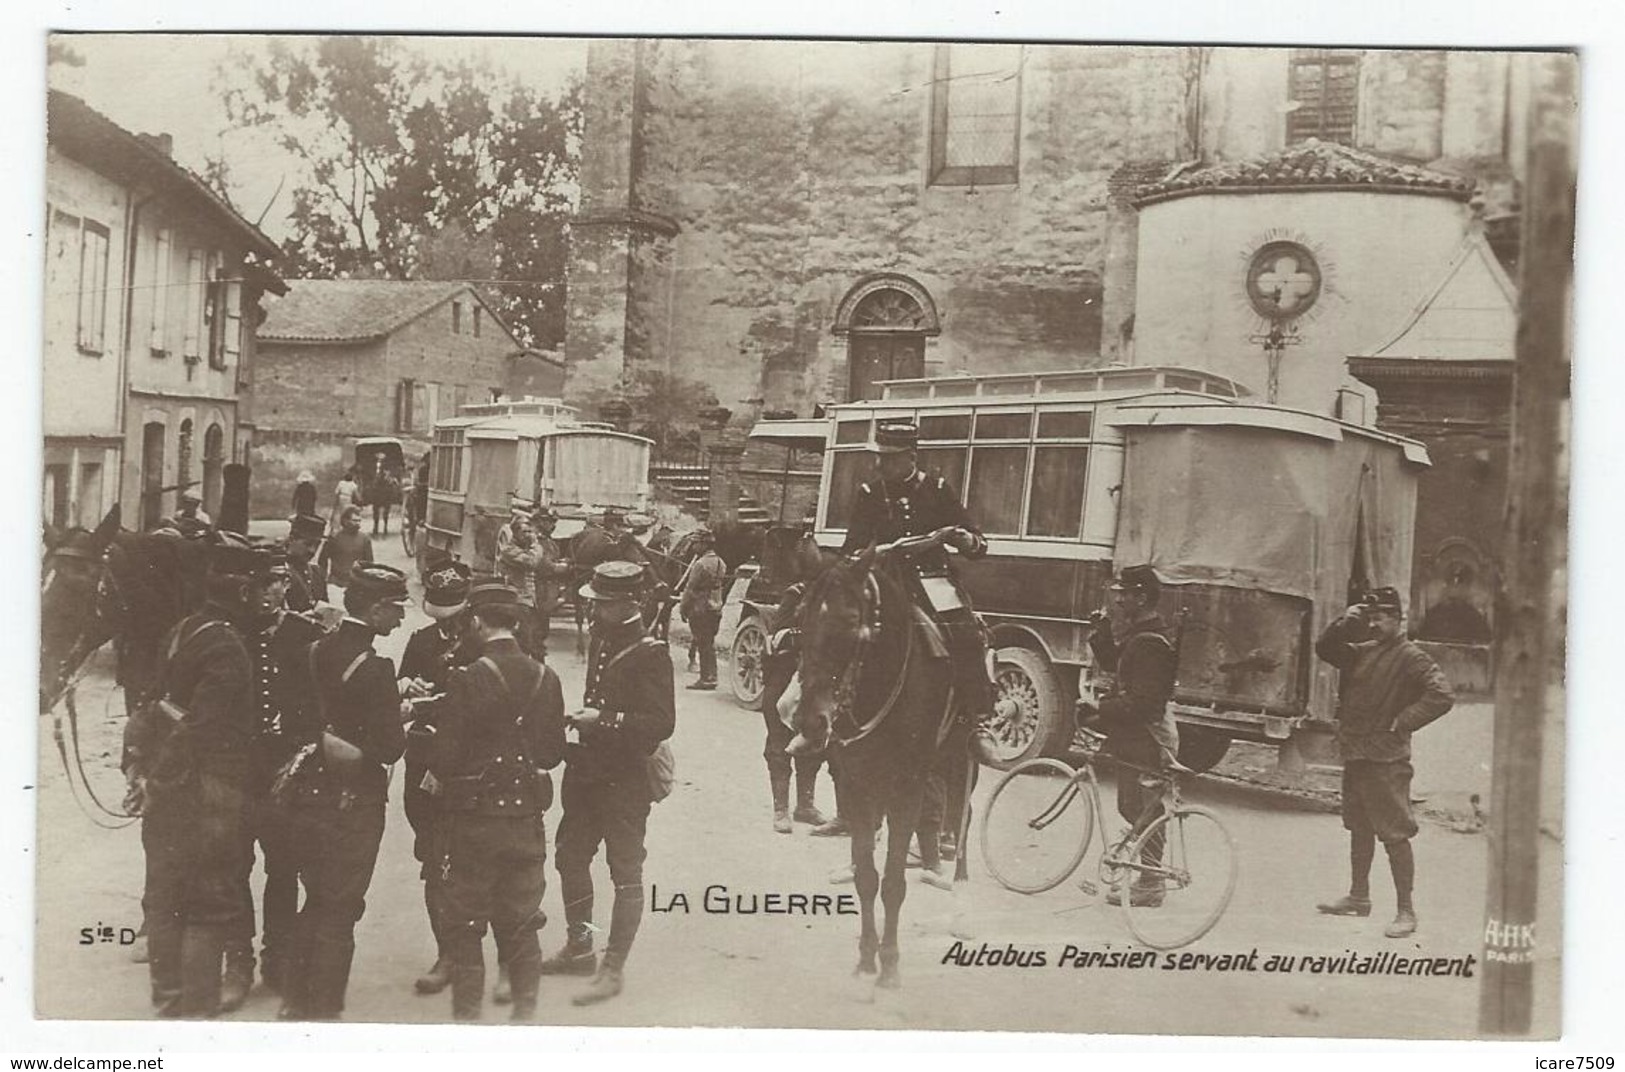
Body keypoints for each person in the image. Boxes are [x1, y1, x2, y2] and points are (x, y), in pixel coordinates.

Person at [836, 419, 998, 866]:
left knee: (966, 633)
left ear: (911, 457)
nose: (882, 464)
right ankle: (823, 713)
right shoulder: (869, 495)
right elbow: (853, 546)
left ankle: (978, 717)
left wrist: (962, 538)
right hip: (885, 582)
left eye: (890, 457)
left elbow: (976, 542)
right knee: (838, 632)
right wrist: (872, 555)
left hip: (931, 580)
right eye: (879, 457)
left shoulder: (938, 488)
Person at [122, 536, 258, 1018]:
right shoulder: (228, 646)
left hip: (167, 792)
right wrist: (158, 779)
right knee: (208, 904)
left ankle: (168, 1008)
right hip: (208, 793)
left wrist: (139, 771)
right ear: (243, 591)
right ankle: (193, 1021)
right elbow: (200, 729)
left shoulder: (183, 631)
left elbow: (149, 704)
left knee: (164, 898)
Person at [430, 581, 567, 1021]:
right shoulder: (548, 678)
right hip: (525, 819)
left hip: (474, 822)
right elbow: (550, 754)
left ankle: (468, 1024)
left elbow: (446, 758)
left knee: (466, 925)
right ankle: (523, 1022)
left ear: (476, 622)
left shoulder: (466, 679)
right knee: (524, 924)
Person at [277, 564, 409, 1021]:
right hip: (354, 803)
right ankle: (325, 1011)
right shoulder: (376, 668)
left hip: (308, 793)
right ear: (374, 610)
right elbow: (391, 746)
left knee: (314, 896)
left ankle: (293, 1001)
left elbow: (299, 722)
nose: (399, 618)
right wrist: (403, 709)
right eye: (395, 609)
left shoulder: (312, 650)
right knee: (341, 905)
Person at [542, 561, 675, 1006]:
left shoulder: (652, 653)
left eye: (602, 604)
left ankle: (613, 967)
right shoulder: (603, 638)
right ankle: (581, 947)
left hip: (625, 780)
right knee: (570, 858)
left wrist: (604, 721)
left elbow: (660, 723)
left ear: (629, 605)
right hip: (588, 772)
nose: (593, 611)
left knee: (625, 871)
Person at [1313, 586, 1454, 939]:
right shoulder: (1364, 651)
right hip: (1357, 753)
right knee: (1359, 827)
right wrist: (1347, 622)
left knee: (1394, 833)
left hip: (1386, 759)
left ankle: (1406, 910)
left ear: (1398, 619)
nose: (1375, 624)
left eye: (1381, 618)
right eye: (1371, 617)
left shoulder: (1412, 657)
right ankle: (1358, 897)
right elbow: (1325, 650)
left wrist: (1403, 721)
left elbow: (1442, 696)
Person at [227, 543, 325, 1005]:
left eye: (282, 582)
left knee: (283, 867)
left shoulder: (306, 634)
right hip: (237, 770)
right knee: (232, 866)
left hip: (287, 770)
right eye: (266, 583)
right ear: (246, 589)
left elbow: (321, 706)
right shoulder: (229, 635)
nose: (276, 592)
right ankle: (237, 962)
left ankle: (278, 957)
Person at [1079, 564, 1180, 909]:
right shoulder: (1142, 632)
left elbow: (1145, 703)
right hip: (1135, 735)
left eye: (1125, 594)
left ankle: (1152, 881)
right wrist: (1102, 630)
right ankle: (1146, 872)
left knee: (1145, 805)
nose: (1118, 599)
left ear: (1142, 597)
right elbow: (1117, 664)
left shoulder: (1151, 641)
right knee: (1130, 804)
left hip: (1149, 737)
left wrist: (1100, 710)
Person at [397, 560, 475, 997]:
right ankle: (447, 951)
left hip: (468, 762)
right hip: (425, 757)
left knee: (470, 856)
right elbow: (403, 680)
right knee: (434, 857)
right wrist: (409, 686)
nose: (447, 626)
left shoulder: (484, 642)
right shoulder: (421, 640)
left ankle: (469, 947)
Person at [759, 580, 834, 834]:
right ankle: (781, 809)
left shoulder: (840, 595)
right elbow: (779, 637)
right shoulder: (796, 594)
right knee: (779, 744)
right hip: (783, 679)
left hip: (815, 683)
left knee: (814, 743)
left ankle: (805, 805)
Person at [676, 526, 726, 690]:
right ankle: (712, 676)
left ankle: (706, 678)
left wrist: (683, 609)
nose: (694, 547)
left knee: (703, 643)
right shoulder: (720, 562)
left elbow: (690, 589)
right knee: (709, 644)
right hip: (715, 606)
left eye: (696, 544)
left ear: (704, 545)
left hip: (700, 608)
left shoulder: (700, 564)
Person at [497, 516, 546, 661]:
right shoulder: (509, 550)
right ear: (515, 533)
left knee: (536, 640)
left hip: (530, 600)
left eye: (530, 531)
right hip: (517, 600)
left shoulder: (525, 548)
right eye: (524, 532)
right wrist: (536, 545)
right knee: (525, 640)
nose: (528, 535)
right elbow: (531, 562)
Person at [531, 508, 573, 658]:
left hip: (548, 588)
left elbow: (554, 557)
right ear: (540, 522)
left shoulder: (548, 540)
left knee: (543, 624)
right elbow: (543, 565)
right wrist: (561, 567)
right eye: (550, 522)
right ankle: (536, 656)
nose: (553, 525)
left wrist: (563, 562)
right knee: (537, 626)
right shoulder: (535, 540)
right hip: (539, 587)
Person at [317, 506, 373, 592]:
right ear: (345, 521)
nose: (358, 523)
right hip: (336, 584)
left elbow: (369, 563)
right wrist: (323, 579)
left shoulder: (365, 539)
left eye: (359, 521)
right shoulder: (334, 538)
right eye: (354, 521)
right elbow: (322, 560)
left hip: (356, 584)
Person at [284, 513, 330, 614]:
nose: (312, 550)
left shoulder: (317, 573)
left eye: (317, 545)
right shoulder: (280, 571)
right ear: (292, 539)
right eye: (308, 544)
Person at [370, 468, 401, 536]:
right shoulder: (388, 481)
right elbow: (392, 489)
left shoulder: (378, 480)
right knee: (385, 513)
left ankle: (376, 527)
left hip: (378, 498)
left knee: (376, 512)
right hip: (385, 498)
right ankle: (384, 527)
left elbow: (373, 488)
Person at [329, 469, 360, 536]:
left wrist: (336, 501)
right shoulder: (353, 484)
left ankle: (338, 527)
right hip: (348, 498)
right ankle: (346, 526)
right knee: (348, 513)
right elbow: (357, 495)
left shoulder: (341, 483)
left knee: (339, 513)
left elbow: (337, 493)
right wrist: (359, 501)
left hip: (341, 497)